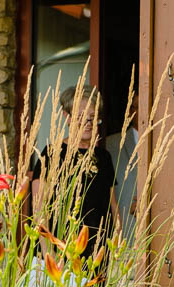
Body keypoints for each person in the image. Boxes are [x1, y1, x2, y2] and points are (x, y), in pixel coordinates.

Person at [31, 85, 118, 258]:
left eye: (93, 118)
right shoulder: (51, 154)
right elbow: (39, 209)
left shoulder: (103, 157)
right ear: (67, 116)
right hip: (60, 253)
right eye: (80, 117)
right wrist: (50, 253)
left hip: (96, 254)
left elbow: (113, 207)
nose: (87, 123)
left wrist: (117, 248)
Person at [105, 94, 139, 243]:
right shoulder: (111, 144)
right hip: (125, 235)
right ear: (131, 111)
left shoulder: (171, 141)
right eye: (138, 107)